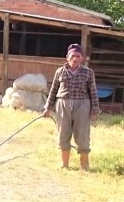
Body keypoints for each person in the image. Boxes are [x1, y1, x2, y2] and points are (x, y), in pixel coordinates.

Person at [42, 43, 100, 171]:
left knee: (82, 135)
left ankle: (84, 166)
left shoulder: (88, 73)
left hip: (82, 105)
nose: (75, 58)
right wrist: (48, 107)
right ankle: (65, 164)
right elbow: (53, 90)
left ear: (82, 58)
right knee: (63, 134)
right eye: (72, 56)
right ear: (67, 57)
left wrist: (95, 110)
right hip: (63, 104)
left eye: (78, 56)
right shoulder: (60, 72)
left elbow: (94, 92)